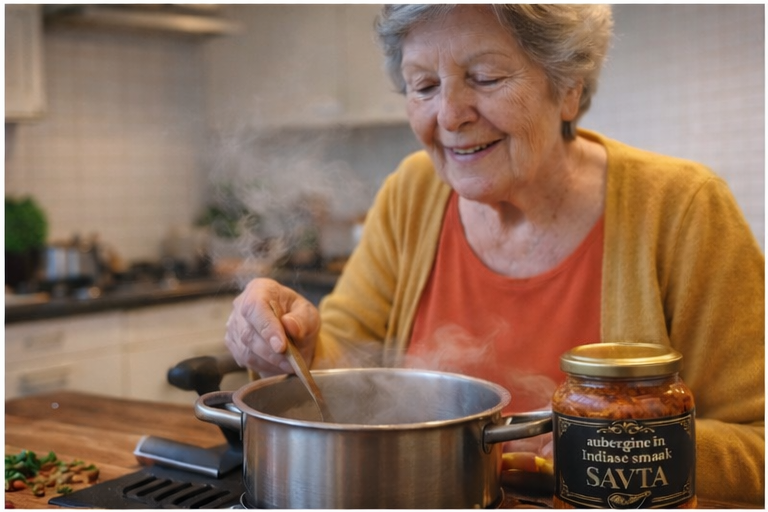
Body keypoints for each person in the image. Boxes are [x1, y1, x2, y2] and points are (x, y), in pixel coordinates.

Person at [224, 4, 764, 506]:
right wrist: (296, 344)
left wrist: (619, 450)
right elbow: (342, 362)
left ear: (568, 87)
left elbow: (759, 447)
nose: (450, 115)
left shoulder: (683, 209)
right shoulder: (413, 192)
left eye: (485, 77)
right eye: (424, 85)